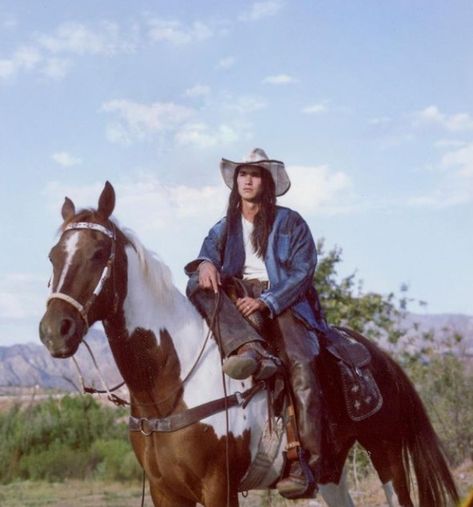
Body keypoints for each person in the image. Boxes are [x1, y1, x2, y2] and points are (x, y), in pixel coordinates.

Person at [185, 148, 327, 498]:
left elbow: (303, 271)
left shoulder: (291, 222)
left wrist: (266, 301)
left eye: (255, 174)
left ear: (267, 183)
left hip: (282, 301)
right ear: (236, 182)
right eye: (242, 174)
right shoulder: (223, 228)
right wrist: (205, 264)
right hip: (236, 302)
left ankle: (304, 460)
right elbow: (207, 254)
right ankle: (245, 347)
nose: (247, 180)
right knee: (195, 284)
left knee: (301, 363)